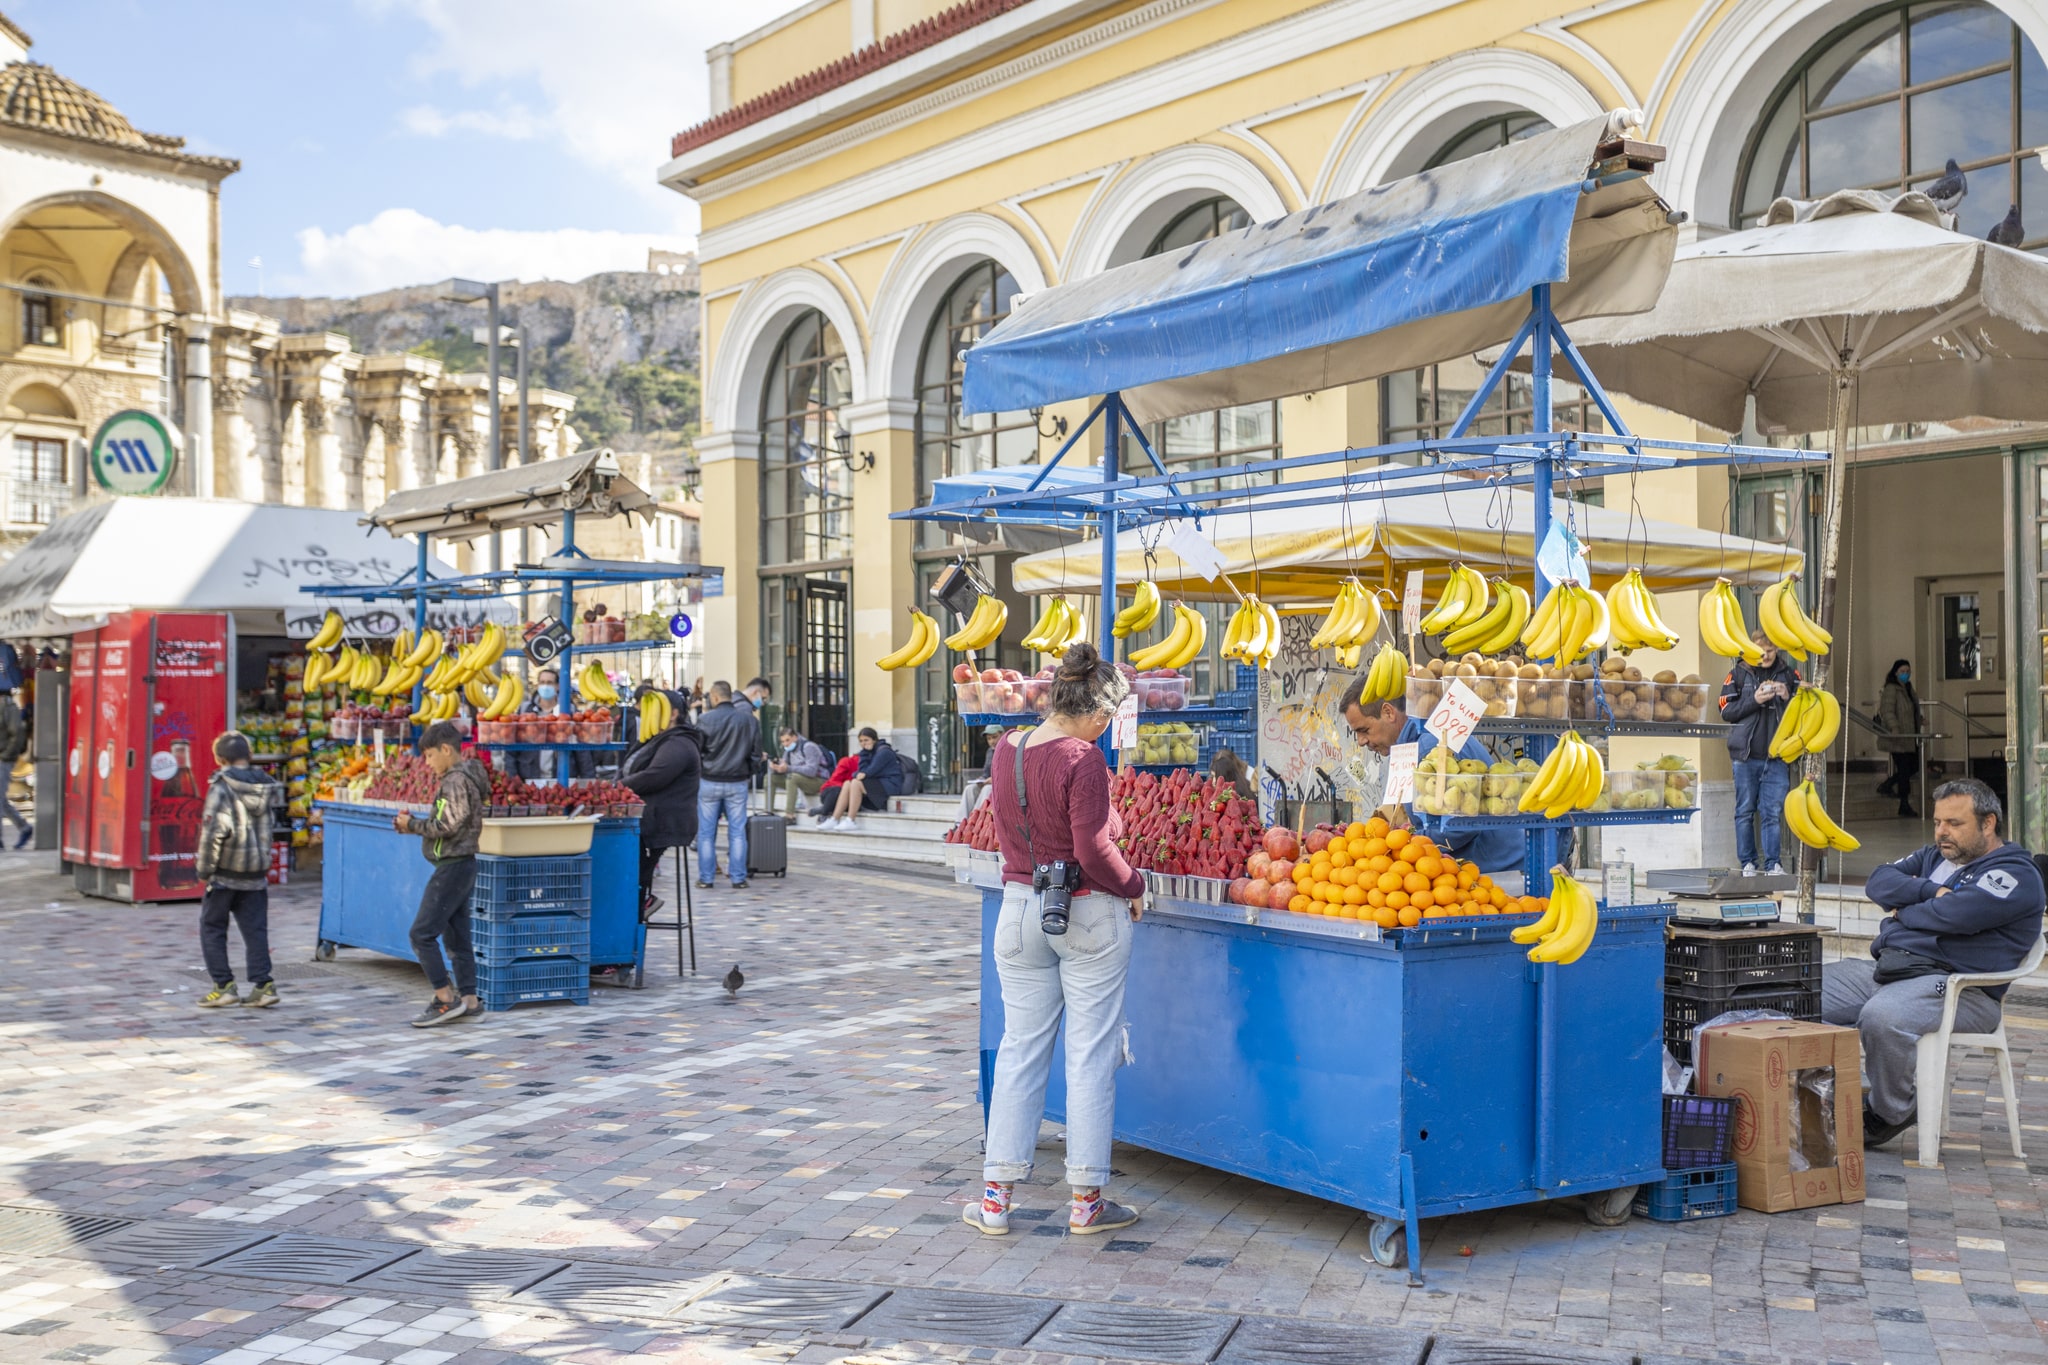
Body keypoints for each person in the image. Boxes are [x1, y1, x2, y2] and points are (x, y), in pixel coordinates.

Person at [967, 643, 1146, 1238]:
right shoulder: (1082, 758)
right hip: (1087, 911)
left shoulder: (1007, 748)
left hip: (1019, 910)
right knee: (1090, 1056)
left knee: (1020, 1049)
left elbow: (1006, 828)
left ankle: (995, 1201)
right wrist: (1134, 883)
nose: (1106, 730)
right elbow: (1093, 848)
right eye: (1108, 717)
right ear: (1095, 710)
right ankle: (1087, 1205)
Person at [1823, 778, 2045, 1146]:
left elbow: (1956, 915)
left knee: (1883, 1017)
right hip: (1894, 970)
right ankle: (1817, 1101)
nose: (1943, 832)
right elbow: (1879, 881)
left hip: (1965, 990)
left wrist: (1901, 915)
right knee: (1797, 993)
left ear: (1988, 823)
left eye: (1955, 824)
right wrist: (1927, 891)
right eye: (1938, 822)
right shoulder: (1933, 858)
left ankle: (1891, 1111)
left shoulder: (2015, 873)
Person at [1341, 683, 1521, 873]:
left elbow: (1460, 825)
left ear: (1388, 712)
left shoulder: (1430, 749)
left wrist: (1406, 844)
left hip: (1499, 871)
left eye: (1364, 730)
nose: (1361, 741)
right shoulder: (1411, 746)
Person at [393, 720, 491, 1026]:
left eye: (430, 755)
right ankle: (470, 1001)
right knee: (458, 938)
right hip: (461, 864)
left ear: (446, 749)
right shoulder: (464, 777)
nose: (428, 762)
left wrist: (412, 826)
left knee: (421, 934)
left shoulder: (455, 781)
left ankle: (445, 999)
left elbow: (447, 825)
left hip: (453, 866)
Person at [193, 732, 282, 1009]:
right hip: (256, 874)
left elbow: (213, 833)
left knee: (212, 927)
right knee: (256, 930)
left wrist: (205, 870)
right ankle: (263, 986)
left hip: (225, 873)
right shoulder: (266, 787)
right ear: (250, 756)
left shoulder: (221, 787)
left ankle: (223, 986)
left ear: (219, 759)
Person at [1719, 631, 1803, 876]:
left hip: (1777, 758)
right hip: (1745, 757)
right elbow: (1725, 710)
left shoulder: (1789, 674)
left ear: (1777, 649)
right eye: (1761, 651)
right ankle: (1747, 863)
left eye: (1771, 650)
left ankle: (1773, 864)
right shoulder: (1737, 674)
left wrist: (1787, 696)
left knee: (1772, 813)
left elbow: (1804, 712)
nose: (1766, 655)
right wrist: (1754, 699)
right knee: (1744, 811)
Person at [621, 692, 702, 916]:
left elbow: (655, 775)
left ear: (673, 714)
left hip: (664, 821)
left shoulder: (679, 743)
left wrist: (618, 786)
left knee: (635, 867)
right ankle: (637, 902)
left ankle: (639, 904)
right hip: (648, 817)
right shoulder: (656, 739)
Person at [695, 680, 761, 889]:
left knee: (706, 833)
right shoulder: (749, 720)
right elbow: (756, 754)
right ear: (730, 696)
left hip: (709, 780)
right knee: (737, 831)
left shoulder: (704, 719)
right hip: (737, 780)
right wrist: (748, 771)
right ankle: (738, 878)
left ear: (714, 697)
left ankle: (706, 878)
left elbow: (697, 752)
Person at [820, 727, 906, 832]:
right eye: (861, 741)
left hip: (890, 784)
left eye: (866, 740)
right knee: (848, 783)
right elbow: (861, 771)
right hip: (877, 782)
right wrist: (864, 754)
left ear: (874, 739)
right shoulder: (868, 752)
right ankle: (834, 819)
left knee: (856, 783)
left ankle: (850, 820)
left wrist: (860, 773)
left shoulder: (884, 752)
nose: (863, 743)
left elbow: (870, 771)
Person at [1877, 659, 1922, 818]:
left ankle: (1888, 784)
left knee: (1913, 766)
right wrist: (1894, 726)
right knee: (1904, 770)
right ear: (1895, 672)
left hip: (1909, 736)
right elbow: (1887, 710)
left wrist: (1920, 720)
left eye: (1908, 671)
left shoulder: (1908, 689)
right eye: (1902, 671)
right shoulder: (1891, 689)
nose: (1906, 674)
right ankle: (1904, 803)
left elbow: (1911, 709)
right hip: (1897, 738)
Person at [768, 726, 832, 822]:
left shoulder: (809, 747)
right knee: (769, 778)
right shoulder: (788, 750)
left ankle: (790, 815)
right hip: (799, 780)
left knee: (792, 777)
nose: (785, 744)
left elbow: (811, 771)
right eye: (783, 741)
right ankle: (768, 812)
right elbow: (785, 765)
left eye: (787, 740)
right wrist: (776, 767)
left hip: (819, 781)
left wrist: (788, 768)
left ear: (795, 737)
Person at [0, 686, 31, 848]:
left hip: (3, 758)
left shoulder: (8, 706)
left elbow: (17, 732)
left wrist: (7, 755)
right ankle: (24, 827)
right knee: (1, 801)